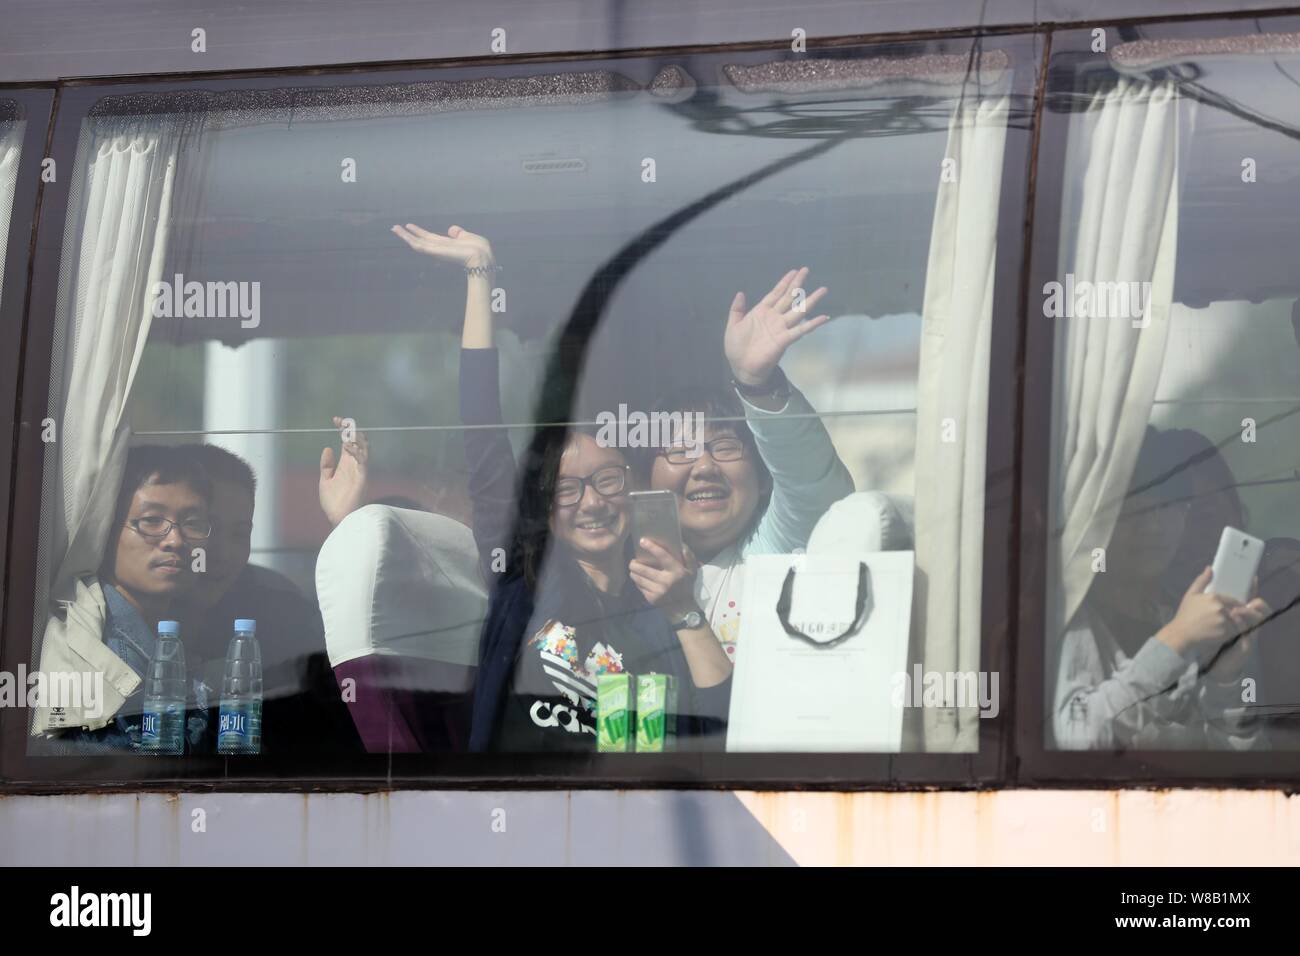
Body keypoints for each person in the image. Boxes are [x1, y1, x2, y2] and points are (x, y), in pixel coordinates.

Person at [392, 222, 733, 752]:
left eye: (606, 480)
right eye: (567, 491)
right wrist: (480, 272)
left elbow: (719, 730)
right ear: (544, 512)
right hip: (525, 814)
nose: (592, 502)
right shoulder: (524, 578)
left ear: (634, 486)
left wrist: (683, 610)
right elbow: (482, 430)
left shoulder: (662, 600)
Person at [637, 267, 854, 660]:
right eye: (680, 449)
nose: (704, 466)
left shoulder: (775, 552)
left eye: (724, 446)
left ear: (763, 476)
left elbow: (813, 485)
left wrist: (758, 383)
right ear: (644, 474)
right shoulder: (615, 568)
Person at [1053, 426, 1272, 750]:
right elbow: (1077, 739)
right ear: (1101, 518)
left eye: (1169, 506)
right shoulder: (1072, 615)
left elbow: (1246, 765)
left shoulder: (1195, 616)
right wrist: (1176, 639)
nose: (1153, 527)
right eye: (1136, 508)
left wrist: (1226, 677)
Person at [177, 444, 362, 755]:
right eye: (205, 529)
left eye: (239, 534)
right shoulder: (119, 617)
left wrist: (347, 531)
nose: (222, 554)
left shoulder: (282, 618)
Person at [50, 446, 217, 753]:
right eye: (152, 521)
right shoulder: (99, 652)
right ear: (106, 529)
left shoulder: (179, 636)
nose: (175, 540)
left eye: (192, 523)